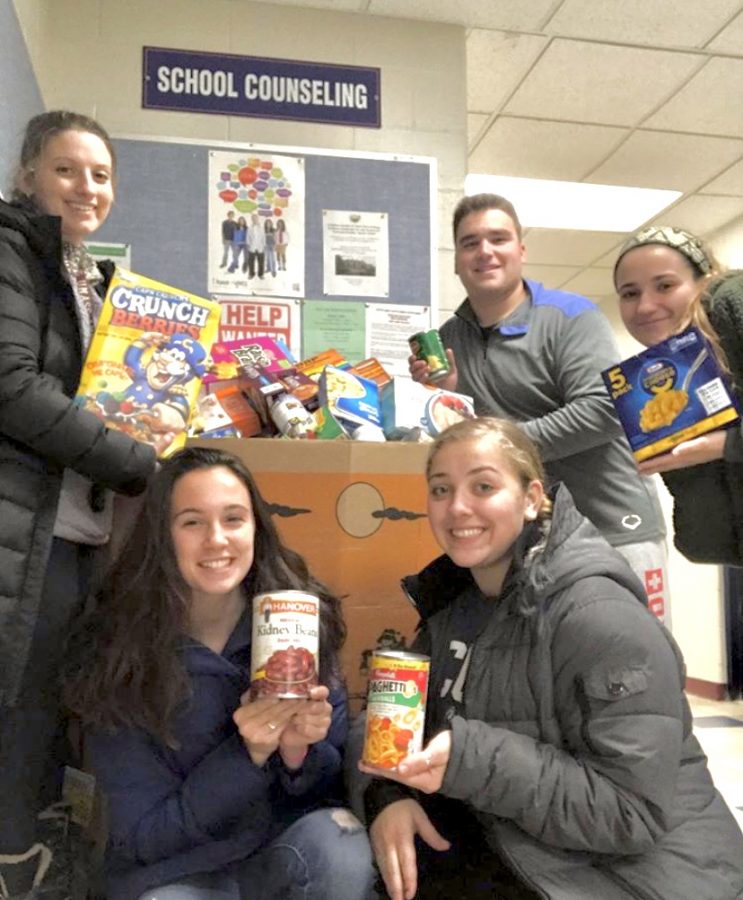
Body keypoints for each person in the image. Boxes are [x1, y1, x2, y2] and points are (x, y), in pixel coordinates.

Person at [352, 417, 743, 900]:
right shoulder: (450, 611)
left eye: (483, 486)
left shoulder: (599, 617)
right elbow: (379, 725)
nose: (457, 507)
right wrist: (386, 798)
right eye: (440, 489)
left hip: (637, 875)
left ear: (532, 498)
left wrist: (474, 759)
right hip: (521, 840)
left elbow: (631, 814)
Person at [63, 446, 374, 900]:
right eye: (192, 522)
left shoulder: (301, 626)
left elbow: (322, 799)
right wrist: (245, 754)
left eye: (233, 519)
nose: (217, 540)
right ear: (162, 536)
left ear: (256, 529)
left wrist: (298, 754)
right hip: (171, 872)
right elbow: (142, 838)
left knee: (340, 843)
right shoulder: (116, 651)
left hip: (277, 856)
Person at [0, 110, 159, 896]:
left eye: (100, 174)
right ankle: (15, 866)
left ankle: (33, 851)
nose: (86, 186)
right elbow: (12, 388)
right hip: (23, 529)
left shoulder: (85, 275)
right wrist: (140, 461)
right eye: (66, 169)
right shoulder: (10, 251)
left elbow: (107, 397)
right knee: (23, 707)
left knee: (53, 704)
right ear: (27, 176)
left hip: (75, 530)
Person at [410, 193, 669, 616]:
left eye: (498, 238)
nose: (485, 251)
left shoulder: (571, 316)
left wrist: (502, 449)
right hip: (528, 539)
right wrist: (448, 399)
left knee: (637, 663)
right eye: (470, 242)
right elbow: (472, 444)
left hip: (614, 527)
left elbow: (605, 410)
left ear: (521, 251)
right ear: (456, 260)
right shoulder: (450, 338)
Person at [613, 225, 743, 566]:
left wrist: (723, 446)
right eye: (629, 293)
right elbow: (706, 543)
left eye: (665, 285)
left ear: (705, 279)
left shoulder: (730, 299)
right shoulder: (684, 370)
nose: (644, 306)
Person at [247, 212, 266, 279]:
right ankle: (251, 274)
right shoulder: (249, 228)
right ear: (252, 219)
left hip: (260, 247)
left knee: (261, 262)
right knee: (251, 262)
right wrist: (248, 245)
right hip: (252, 247)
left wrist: (264, 246)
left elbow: (263, 237)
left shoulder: (262, 227)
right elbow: (248, 237)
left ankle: (261, 275)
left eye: (256, 218)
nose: (254, 219)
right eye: (253, 218)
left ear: (258, 219)